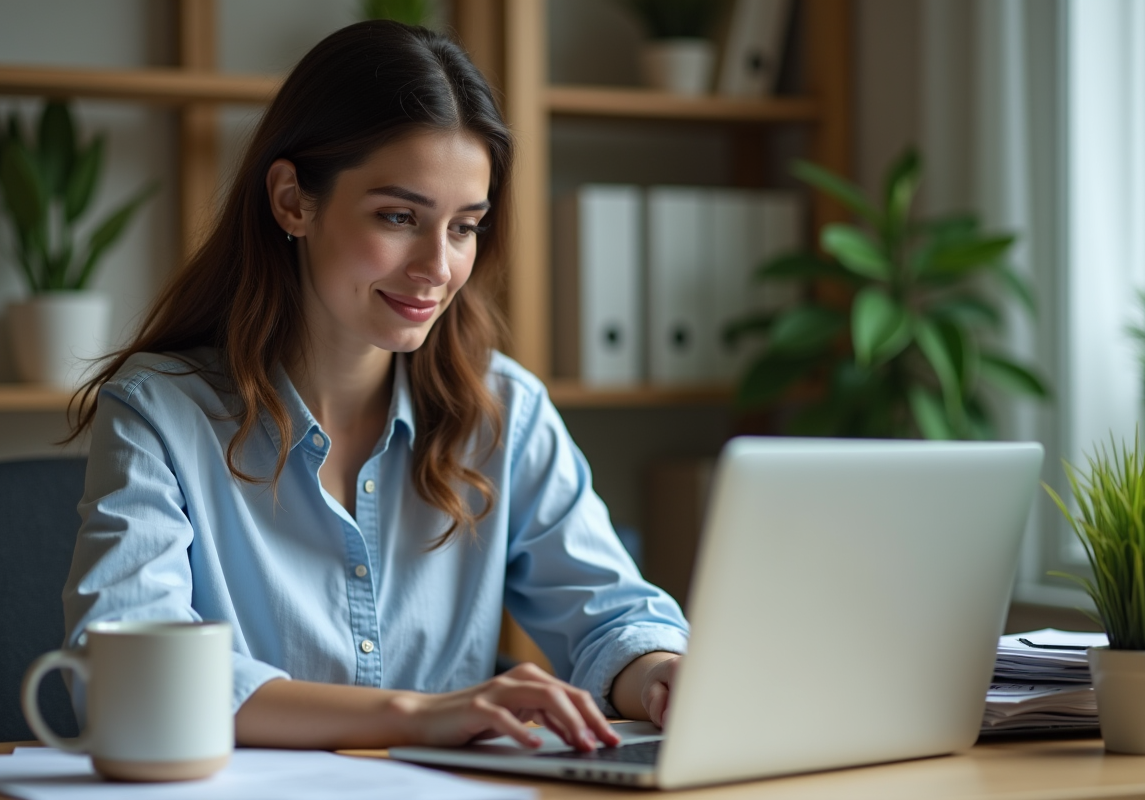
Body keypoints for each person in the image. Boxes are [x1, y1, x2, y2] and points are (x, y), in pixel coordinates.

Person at [62, 20, 688, 753]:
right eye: (399, 217)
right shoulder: (161, 412)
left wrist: (661, 674)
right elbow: (126, 674)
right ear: (293, 200)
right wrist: (418, 717)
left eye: (464, 227)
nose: (437, 266)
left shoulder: (504, 413)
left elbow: (613, 618)